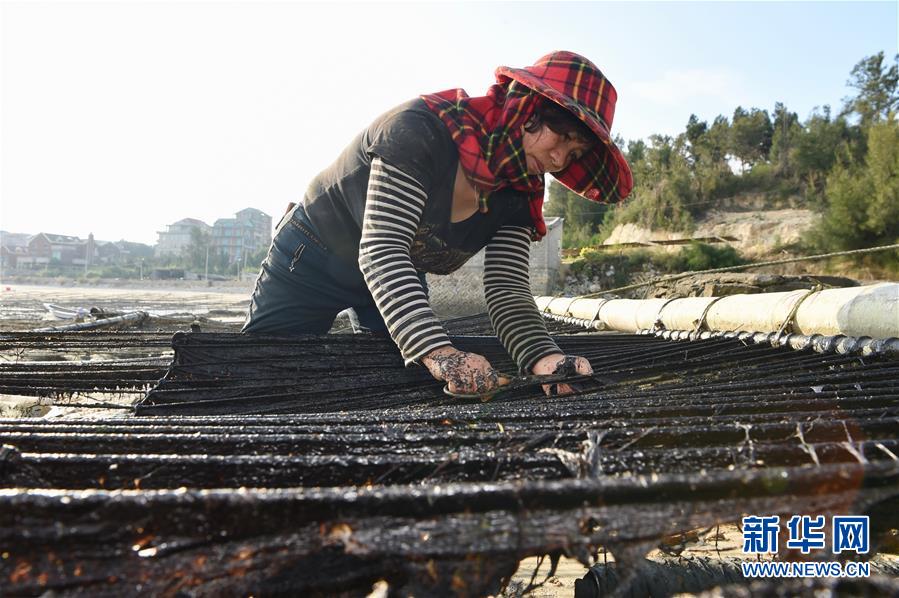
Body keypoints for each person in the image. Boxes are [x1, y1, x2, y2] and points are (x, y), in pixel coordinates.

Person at [242, 51, 633, 397]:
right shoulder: (419, 131)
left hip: (400, 277)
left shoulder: (521, 191)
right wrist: (440, 352)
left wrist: (545, 359)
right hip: (314, 256)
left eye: (573, 153)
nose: (558, 160)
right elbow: (382, 250)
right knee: (261, 372)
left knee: (391, 383)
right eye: (561, 137)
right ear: (527, 109)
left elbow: (507, 289)